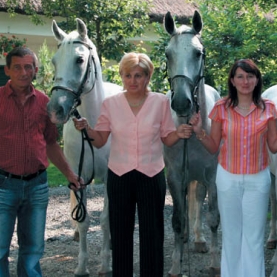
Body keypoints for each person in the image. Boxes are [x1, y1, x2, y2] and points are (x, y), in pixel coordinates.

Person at [0, 46, 83, 277]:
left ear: (35, 70)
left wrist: (70, 175)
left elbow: (50, 144)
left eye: (28, 67)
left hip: (37, 187)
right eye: (17, 67)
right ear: (7, 70)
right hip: (1, 187)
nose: (23, 72)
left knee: (33, 250)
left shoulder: (44, 102)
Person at [73, 52, 192, 277]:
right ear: (121, 76)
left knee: (152, 233)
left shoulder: (160, 102)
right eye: (128, 75)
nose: (133, 81)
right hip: (120, 175)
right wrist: (86, 128)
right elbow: (99, 141)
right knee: (120, 234)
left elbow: (167, 137)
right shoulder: (110, 104)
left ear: (148, 77)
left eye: (138, 75)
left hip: (151, 174)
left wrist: (179, 133)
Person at [189, 59, 277, 277]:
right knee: (232, 236)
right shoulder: (220, 108)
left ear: (257, 80)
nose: (245, 81)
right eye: (240, 76)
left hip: (257, 180)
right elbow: (213, 146)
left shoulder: (268, 108)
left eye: (250, 76)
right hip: (228, 178)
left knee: (254, 237)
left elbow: (273, 145)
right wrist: (199, 132)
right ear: (232, 80)